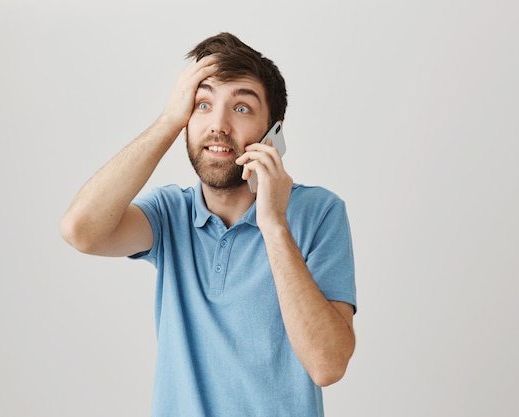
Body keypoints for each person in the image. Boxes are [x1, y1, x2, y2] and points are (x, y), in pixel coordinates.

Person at [61, 32, 357, 417]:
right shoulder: (170, 214)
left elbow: (327, 365)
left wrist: (274, 224)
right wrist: (168, 121)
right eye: (202, 104)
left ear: (274, 133)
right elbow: (80, 231)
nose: (218, 125)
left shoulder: (319, 212)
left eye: (242, 108)